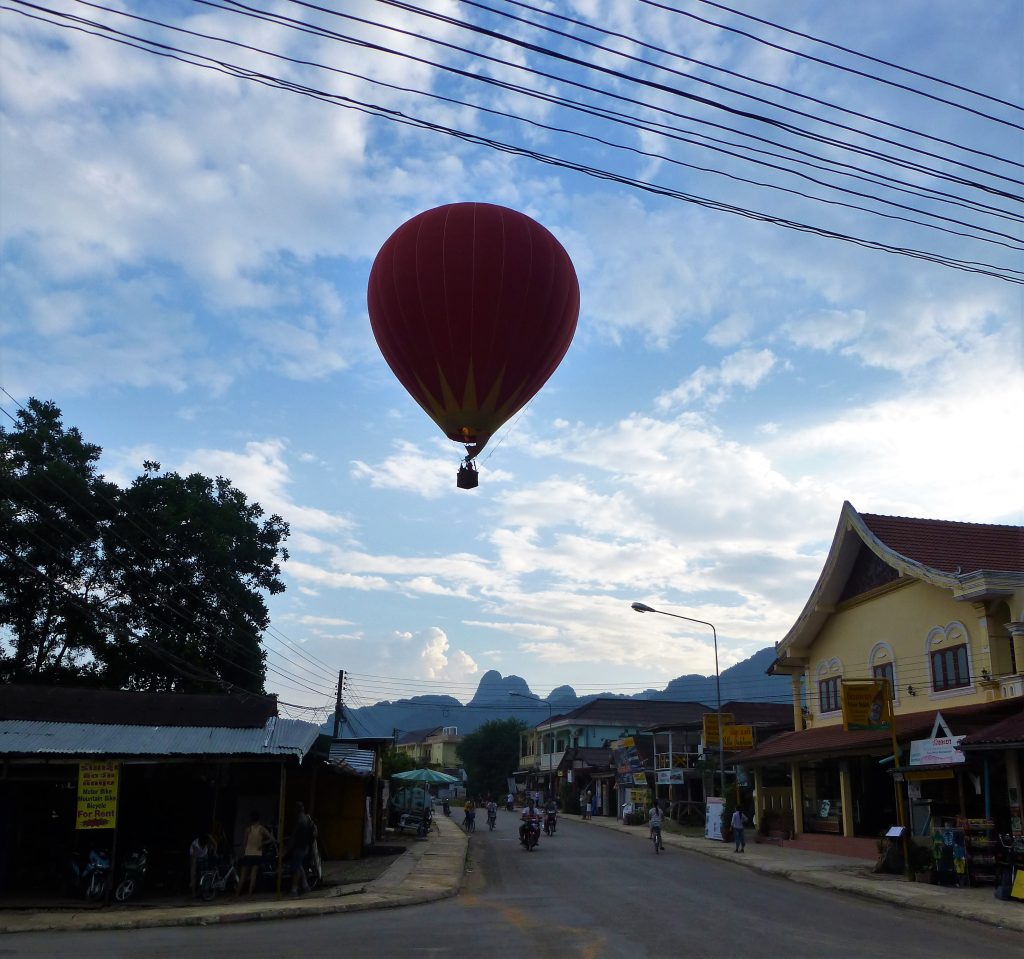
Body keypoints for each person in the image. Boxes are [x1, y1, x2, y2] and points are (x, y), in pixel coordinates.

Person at [237, 810, 272, 896]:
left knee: (243, 876)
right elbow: (271, 839)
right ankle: (249, 894)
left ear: (251, 819)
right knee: (253, 876)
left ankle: (236, 894)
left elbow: (244, 843)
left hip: (248, 854)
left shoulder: (248, 829)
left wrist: (243, 853)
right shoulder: (262, 829)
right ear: (258, 819)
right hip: (257, 855)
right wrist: (263, 843)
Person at [289, 802, 316, 896]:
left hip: (299, 847)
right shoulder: (308, 818)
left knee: (296, 867)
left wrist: (287, 847)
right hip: (306, 847)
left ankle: (294, 888)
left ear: (296, 810)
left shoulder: (299, 820)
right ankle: (305, 886)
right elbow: (315, 832)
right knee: (299, 866)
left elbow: (294, 835)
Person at [188, 833, 212, 897]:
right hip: (195, 857)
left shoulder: (208, 839)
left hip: (204, 856)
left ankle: (205, 891)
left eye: (205, 845)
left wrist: (214, 852)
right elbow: (193, 864)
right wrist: (192, 878)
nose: (204, 846)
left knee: (205, 873)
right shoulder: (195, 845)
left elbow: (215, 844)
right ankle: (193, 893)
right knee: (194, 874)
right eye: (203, 845)